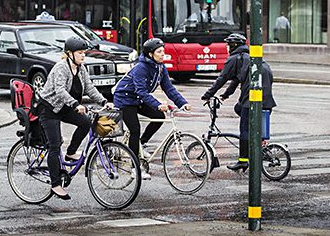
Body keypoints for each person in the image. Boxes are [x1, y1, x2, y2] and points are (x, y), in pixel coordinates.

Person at [38, 36, 112, 200]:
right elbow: (60, 90)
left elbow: (90, 88)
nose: (83, 56)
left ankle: (71, 152)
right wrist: (74, 104)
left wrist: (104, 101)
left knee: (86, 122)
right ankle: (56, 185)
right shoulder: (61, 68)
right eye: (80, 53)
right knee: (55, 146)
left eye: (84, 53)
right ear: (69, 53)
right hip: (49, 109)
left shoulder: (81, 68)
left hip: (64, 107)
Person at [113, 38, 191, 179]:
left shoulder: (161, 68)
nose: (163, 54)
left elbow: (169, 88)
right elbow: (141, 91)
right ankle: (135, 168)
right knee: (134, 129)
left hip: (139, 100)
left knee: (159, 117)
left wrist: (182, 103)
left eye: (163, 51)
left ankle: (142, 143)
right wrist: (157, 104)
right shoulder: (141, 68)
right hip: (125, 99)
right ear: (150, 54)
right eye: (159, 51)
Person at [201, 33, 276, 171]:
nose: (226, 48)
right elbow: (235, 80)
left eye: (228, 45)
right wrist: (225, 95)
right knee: (238, 109)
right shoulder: (248, 57)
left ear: (233, 46)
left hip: (253, 98)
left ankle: (243, 160)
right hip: (265, 97)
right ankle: (257, 141)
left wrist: (207, 95)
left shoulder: (234, 58)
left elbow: (222, 78)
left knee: (244, 129)